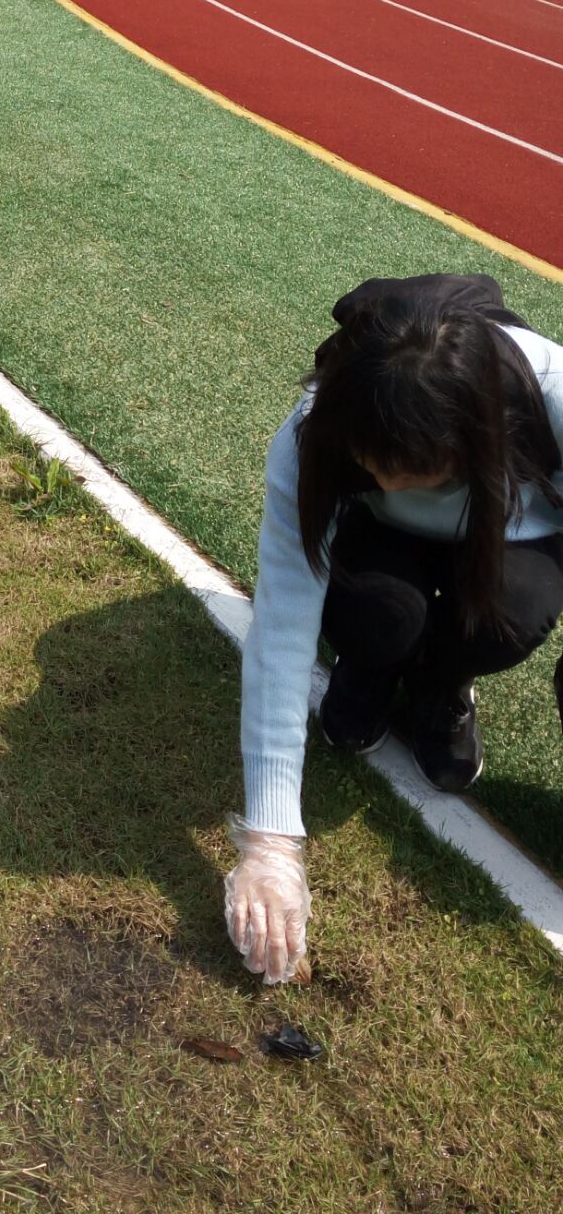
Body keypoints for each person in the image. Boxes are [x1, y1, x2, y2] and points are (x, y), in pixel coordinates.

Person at [227, 274, 563, 984]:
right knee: (385, 617)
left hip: (506, 537)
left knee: (512, 613)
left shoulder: (552, 403)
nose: (384, 480)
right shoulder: (313, 431)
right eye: (369, 464)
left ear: (474, 436)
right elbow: (283, 621)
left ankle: (443, 686)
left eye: (412, 470)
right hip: (380, 548)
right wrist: (271, 836)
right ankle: (370, 670)